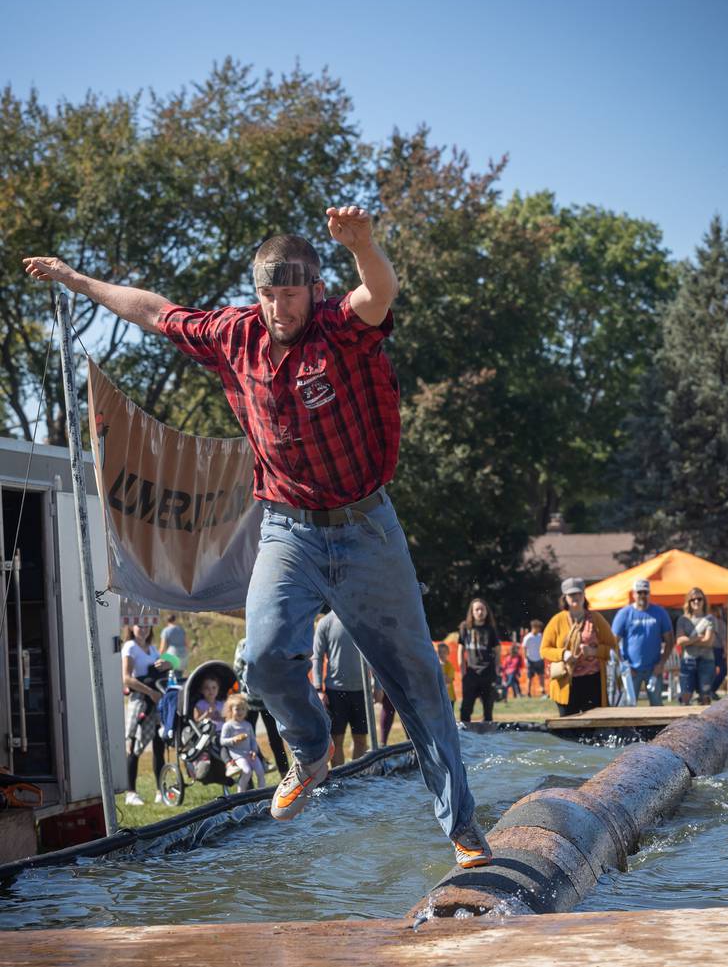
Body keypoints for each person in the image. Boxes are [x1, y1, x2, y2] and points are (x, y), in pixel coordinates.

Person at [24, 208, 491, 870]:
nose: (279, 308)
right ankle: (309, 751)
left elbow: (378, 294)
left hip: (366, 528)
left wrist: (364, 246)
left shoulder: (339, 330)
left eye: (291, 294)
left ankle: (463, 827)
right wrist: (77, 279)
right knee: (264, 657)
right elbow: (154, 311)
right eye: (269, 294)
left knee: (416, 680)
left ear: (313, 290)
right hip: (286, 528)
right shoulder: (233, 334)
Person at [541, 578, 617, 717]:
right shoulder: (557, 621)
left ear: (584, 596)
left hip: (593, 681)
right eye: (571, 595)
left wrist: (594, 651)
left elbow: (613, 648)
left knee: (594, 726)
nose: (575, 598)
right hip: (566, 682)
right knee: (568, 728)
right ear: (565, 598)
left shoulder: (596, 618)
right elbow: (544, 649)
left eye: (578, 594)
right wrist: (563, 654)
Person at [312, 610, 368, 767]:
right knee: (336, 741)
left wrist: (378, 685)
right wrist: (318, 689)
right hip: (335, 691)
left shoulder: (363, 618)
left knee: (361, 739)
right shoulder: (326, 622)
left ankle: (359, 779)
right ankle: (341, 783)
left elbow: (375, 652)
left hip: (361, 690)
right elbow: (317, 657)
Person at [121, 624, 169, 805]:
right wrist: (150, 692)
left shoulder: (153, 649)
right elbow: (126, 678)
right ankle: (131, 793)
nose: (143, 628)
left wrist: (168, 663)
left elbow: (172, 664)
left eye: (147, 625)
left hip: (155, 701)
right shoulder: (130, 647)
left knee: (159, 745)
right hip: (140, 700)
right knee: (134, 746)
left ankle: (160, 790)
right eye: (139, 625)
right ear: (131, 627)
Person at [611, 578, 674, 706]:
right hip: (631, 669)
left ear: (649, 594)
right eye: (639, 592)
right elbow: (613, 642)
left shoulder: (659, 612)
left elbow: (670, 640)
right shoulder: (624, 614)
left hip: (654, 669)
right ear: (633, 594)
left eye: (645, 592)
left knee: (657, 706)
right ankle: (629, 728)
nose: (642, 596)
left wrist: (661, 663)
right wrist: (624, 664)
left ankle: (657, 727)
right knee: (629, 706)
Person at [233, 637, 290, 775]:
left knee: (275, 738)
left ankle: (285, 772)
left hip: (268, 700)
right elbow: (237, 669)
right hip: (248, 701)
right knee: (246, 738)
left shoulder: (269, 641)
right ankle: (252, 773)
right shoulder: (244, 643)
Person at [457, 599, 501, 723]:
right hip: (471, 673)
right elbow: (460, 649)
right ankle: (465, 738)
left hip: (488, 673)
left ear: (487, 611)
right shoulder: (465, 627)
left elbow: (498, 650)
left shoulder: (491, 629)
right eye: (477, 609)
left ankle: (487, 739)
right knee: (465, 709)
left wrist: (498, 668)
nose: (480, 612)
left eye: (482, 609)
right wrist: (462, 668)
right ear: (472, 611)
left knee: (488, 710)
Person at [674, 587, 716, 705]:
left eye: (699, 599)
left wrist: (688, 640)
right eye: (693, 600)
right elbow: (679, 641)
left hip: (706, 661)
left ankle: (705, 723)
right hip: (688, 661)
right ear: (689, 602)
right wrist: (698, 637)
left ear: (704, 601)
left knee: (705, 697)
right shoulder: (683, 619)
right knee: (685, 696)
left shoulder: (710, 618)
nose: (696, 602)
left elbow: (708, 641)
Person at [220, 694, 267, 792]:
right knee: (247, 771)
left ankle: (262, 793)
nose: (240, 712)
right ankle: (240, 793)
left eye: (243, 709)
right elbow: (222, 741)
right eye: (237, 709)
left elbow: (253, 740)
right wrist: (233, 740)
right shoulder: (228, 726)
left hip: (249, 753)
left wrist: (254, 751)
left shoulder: (248, 725)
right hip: (238, 755)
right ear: (231, 710)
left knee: (260, 771)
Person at [521, 620, 545, 696]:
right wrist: (525, 659)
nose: (539, 629)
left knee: (541, 676)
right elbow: (524, 648)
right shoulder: (527, 637)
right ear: (533, 627)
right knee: (529, 677)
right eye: (537, 628)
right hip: (530, 660)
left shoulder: (541, 636)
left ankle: (543, 691)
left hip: (539, 659)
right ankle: (528, 692)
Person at [710, 603, 728, 697]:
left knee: (715, 671)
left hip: (712, 649)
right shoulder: (720, 623)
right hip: (716, 649)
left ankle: (710, 690)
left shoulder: (716, 622)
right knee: (723, 670)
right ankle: (711, 690)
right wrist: (726, 651)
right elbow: (723, 639)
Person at [437, 643, 456, 710]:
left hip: (449, 697)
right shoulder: (436, 666)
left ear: (448, 653)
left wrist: (441, 671)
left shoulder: (449, 666)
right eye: (439, 652)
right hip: (438, 697)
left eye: (444, 652)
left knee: (449, 716)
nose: (441, 654)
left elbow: (449, 680)